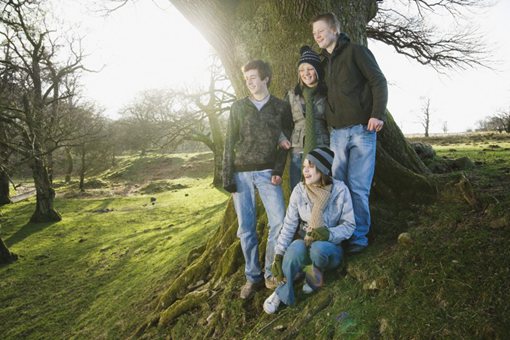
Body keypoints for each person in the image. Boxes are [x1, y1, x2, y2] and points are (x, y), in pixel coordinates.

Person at [311, 13, 388, 253]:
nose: (317, 36)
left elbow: (378, 81)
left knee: (358, 187)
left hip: (362, 131)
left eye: (321, 31)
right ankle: (342, 233)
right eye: (314, 34)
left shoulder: (356, 52)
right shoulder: (323, 64)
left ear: (334, 29)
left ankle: (359, 237)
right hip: (337, 134)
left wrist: (378, 114)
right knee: (338, 187)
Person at [222, 59, 293, 299]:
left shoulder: (281, 107)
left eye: (253, 77)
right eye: (247, 79)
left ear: (266, 78)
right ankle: (252, 277)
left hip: (266, 173)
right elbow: (229, 142)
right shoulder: (238, 107)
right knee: (246, 229)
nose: (249, 82)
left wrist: (277, 171)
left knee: (279, 222)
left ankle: (271, 272)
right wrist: (227, 176)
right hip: (240, 174)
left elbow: (286, 142)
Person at [263, 146, 355, 314]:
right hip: (306, 240)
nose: (305, 170)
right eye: (304, 166)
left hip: (329, 247)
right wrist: (278, 255)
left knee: (318, 249)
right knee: (294, 250)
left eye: (311, 166)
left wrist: (329, 233)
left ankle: (313, 278)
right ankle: (282, 292)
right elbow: (289, 225)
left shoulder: (340, 191)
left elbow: (349, 225)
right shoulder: (299, 191)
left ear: (323, 169)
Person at [283, 46, 330, 191]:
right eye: (302, 70)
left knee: (323, 188)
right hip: (298, 149)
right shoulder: (291, 95)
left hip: (322, 147)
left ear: (317, 71)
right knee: (298, 189)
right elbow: (283, 123)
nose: (306, 73)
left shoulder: (327, 94)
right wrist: (281, 139)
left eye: (310, 69)